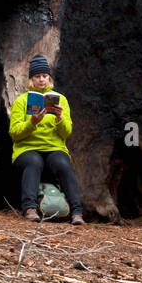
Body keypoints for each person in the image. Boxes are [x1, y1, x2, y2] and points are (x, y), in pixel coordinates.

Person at [9, 55, 84, 225]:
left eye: (44, 76)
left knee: (62, 164)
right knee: (33, 162)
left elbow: (67, 132)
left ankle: (77, 212)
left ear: (49, 78)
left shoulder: (61, 100)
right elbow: (14, 133)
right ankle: (30, 208)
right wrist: (32, 123)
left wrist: (59, 118)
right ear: (31, 79)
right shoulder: (21, 101)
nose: (41, 80)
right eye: (37, 76)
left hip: (54, 147)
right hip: (27, 148)